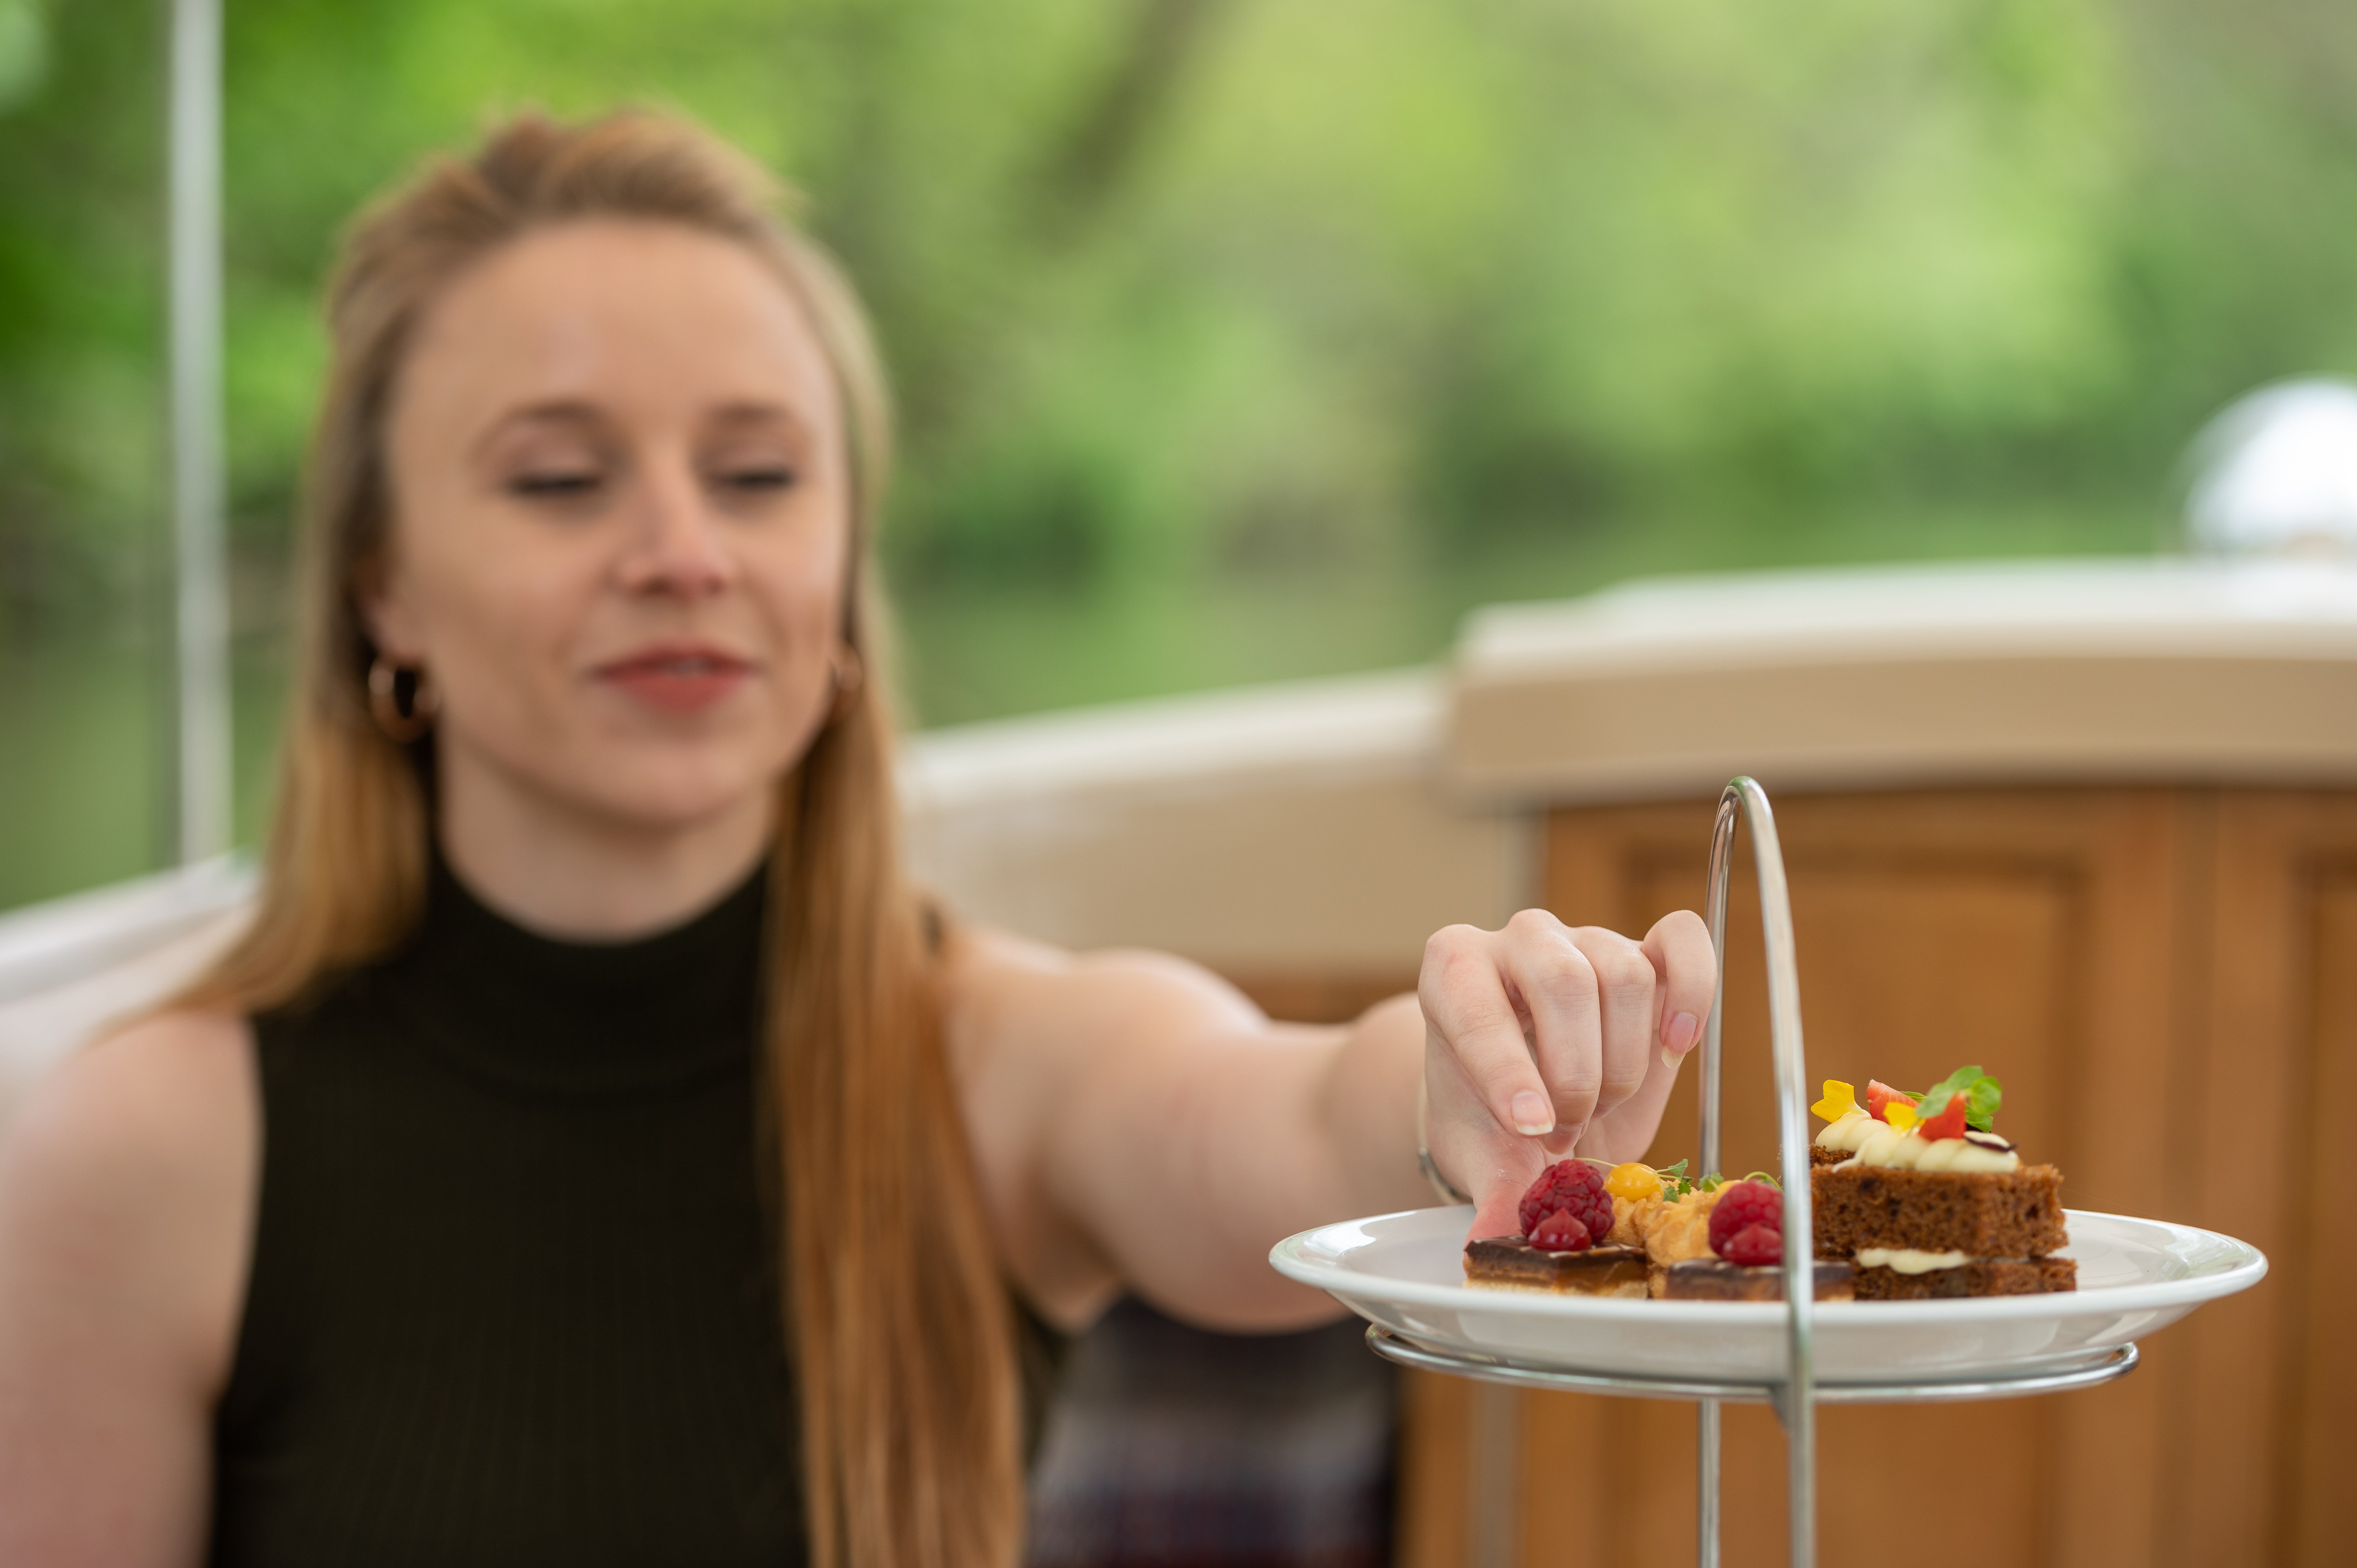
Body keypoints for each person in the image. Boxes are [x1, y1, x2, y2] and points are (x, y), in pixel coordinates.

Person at [0, 111, 1713, 1568]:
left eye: (757, 476)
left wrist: (1467, 1081)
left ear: (836, 579)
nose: (684, 551)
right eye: (557, 480)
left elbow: (1285, 1115)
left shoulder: (1005, 1063)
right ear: (383, 588)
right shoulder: (143, 1155)